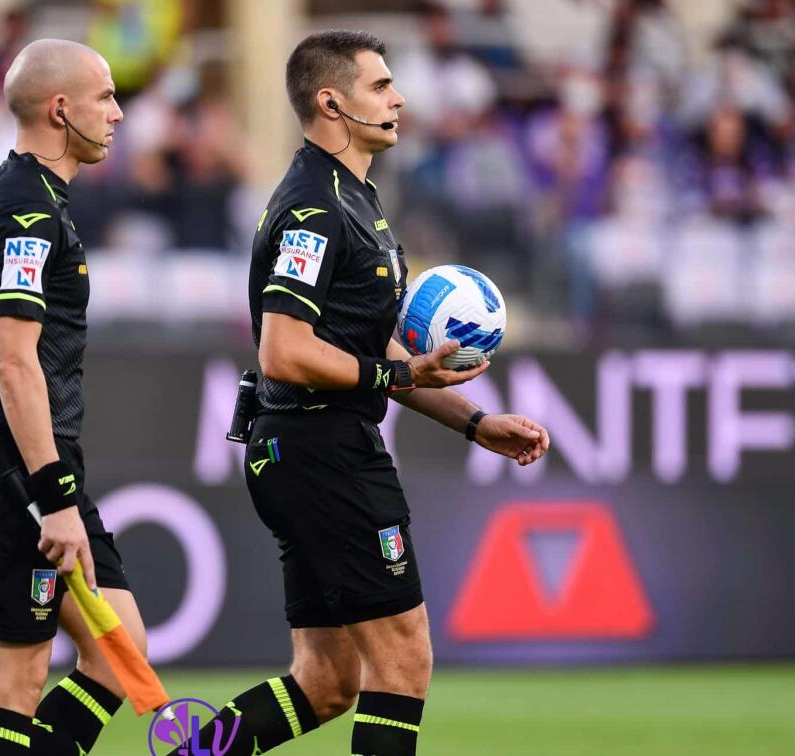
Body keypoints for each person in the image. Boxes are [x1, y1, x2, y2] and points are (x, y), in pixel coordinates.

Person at [171, 31, 550, 756]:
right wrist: (401, 376)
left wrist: (474, 422)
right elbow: (284, 349)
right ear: (331, 102)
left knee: (326, 682)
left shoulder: (354, 200)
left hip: (303, 449)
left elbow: (367, 346)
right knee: (403, 663)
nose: (399, 97)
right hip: (324, 452)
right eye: (380, 86)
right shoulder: (315, 207)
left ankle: (191, 754)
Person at [0, 39, 146, 755]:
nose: (119, 114)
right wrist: (54, 498)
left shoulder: (23, 193)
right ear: (61, 109)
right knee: (11, 684)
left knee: (122, 651)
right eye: (107, 97)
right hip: (12, 465)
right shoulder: (26, 208)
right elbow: (13, 364)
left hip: (32, 461)